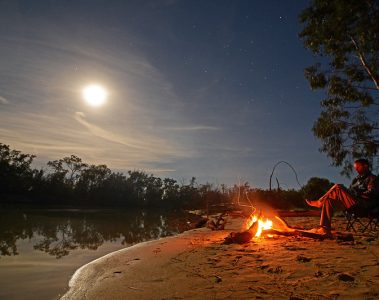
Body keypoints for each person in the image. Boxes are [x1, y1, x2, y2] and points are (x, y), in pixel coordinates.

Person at [305, 159, 379, 236]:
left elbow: (372, 193)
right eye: (355, 167)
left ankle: (319, 202)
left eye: (358, 167)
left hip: (363, 205)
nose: (356, 169)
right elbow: (350, 191)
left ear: (365, 166)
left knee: (338, 186)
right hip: (351, 204)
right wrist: (349, 193)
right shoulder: (356, 180)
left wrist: (357, 193)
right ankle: (325, 229)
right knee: (328, 201)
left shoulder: (372, 178)